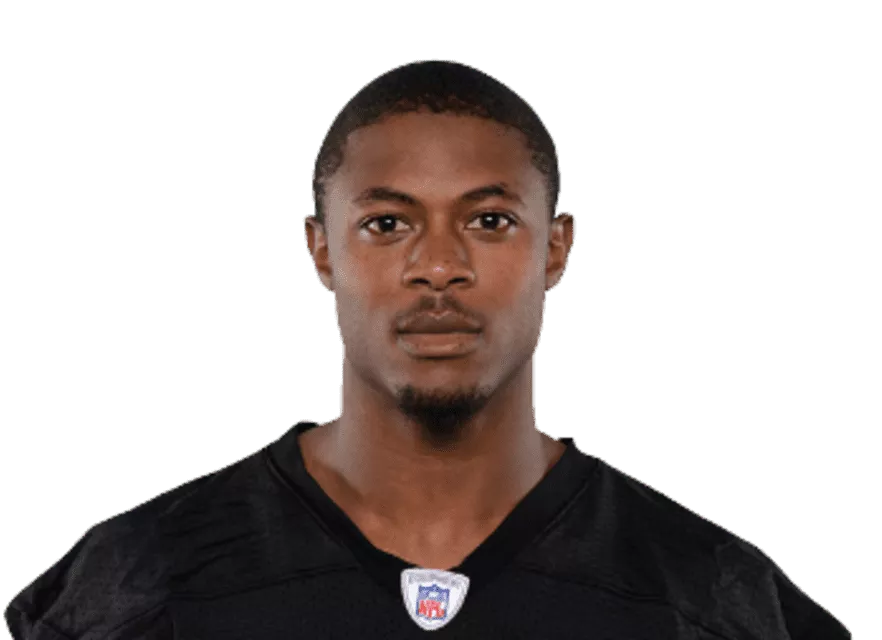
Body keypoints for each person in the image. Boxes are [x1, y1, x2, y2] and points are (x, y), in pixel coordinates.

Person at [3, 58, 851, 639]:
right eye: (387, 223)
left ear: (555, 249)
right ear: (322, 250)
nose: (439, 266)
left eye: (489, 220)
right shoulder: (145, 583)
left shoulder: (704, 595)